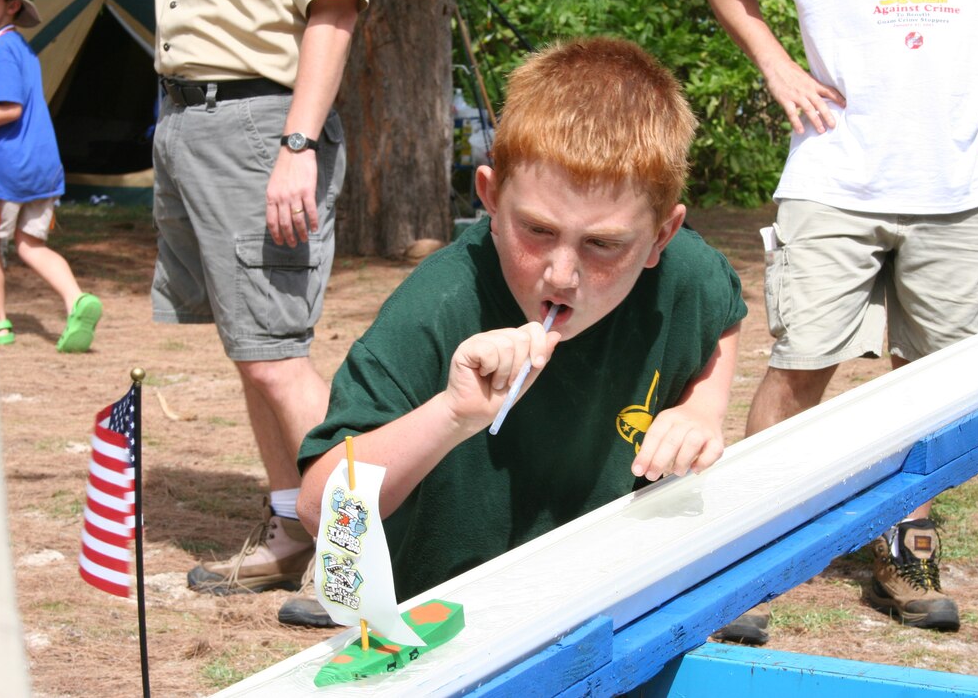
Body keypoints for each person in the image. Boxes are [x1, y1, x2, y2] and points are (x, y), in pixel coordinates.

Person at [294, 36, 747, 623]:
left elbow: (724, 319)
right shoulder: (436, 307)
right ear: (489, 196)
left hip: (617, 605)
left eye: (604, 244)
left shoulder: (685, 275)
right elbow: (318, 508)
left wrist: (703, 409)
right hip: (452, 631)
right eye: (535, 230)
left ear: (661, 235)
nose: (562, 275)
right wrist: (451, 415)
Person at [698, 0, 978, 643]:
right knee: (801, 363)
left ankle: (905, 550)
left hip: (966, 186)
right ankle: (747, 548)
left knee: (936, 386)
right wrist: (775, 63)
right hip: (833, 175)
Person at [149, 0, 368, 624]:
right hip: (188, 120)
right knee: (252, 350)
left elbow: (333, 11)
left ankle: (358, 559)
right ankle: (290, 526)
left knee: (277, 355)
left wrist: (297, 145)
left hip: (265, 125)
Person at [0, 0, 102, 353]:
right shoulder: (17, 47)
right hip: (40, 163)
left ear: (13, 5)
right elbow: (4, 99)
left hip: (3, 165)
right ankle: (77, 300)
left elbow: (8, 109)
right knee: (29, 244)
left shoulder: (0, 49)